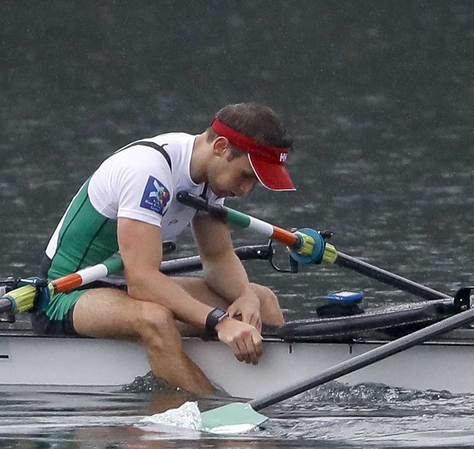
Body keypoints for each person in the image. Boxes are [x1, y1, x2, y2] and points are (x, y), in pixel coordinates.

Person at [33, 102, 292, 393]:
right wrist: (219, 322)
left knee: (262, 300)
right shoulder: (149, 171)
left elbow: (218, 259)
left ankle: (282, 395)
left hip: (121, 287)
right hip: (65, 294)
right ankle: (208, 408)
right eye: (246, 175)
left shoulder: (210, 177)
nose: (245, 190)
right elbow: (142, 280)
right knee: (155, 319)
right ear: (220, 147)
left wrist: (245, 296)